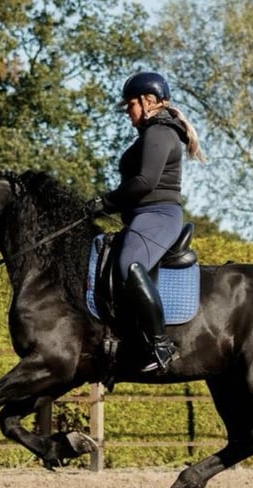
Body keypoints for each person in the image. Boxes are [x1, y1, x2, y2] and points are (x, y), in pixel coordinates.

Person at [88, 71, 205, 373]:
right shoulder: (154, 132)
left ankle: (161, 343)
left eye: (130, 105)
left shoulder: (160, 131)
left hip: (158, 215)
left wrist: (105, 202)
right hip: (144, 215)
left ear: (148, 102)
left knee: (129, 265)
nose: (128, 112)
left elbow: (144, 182)